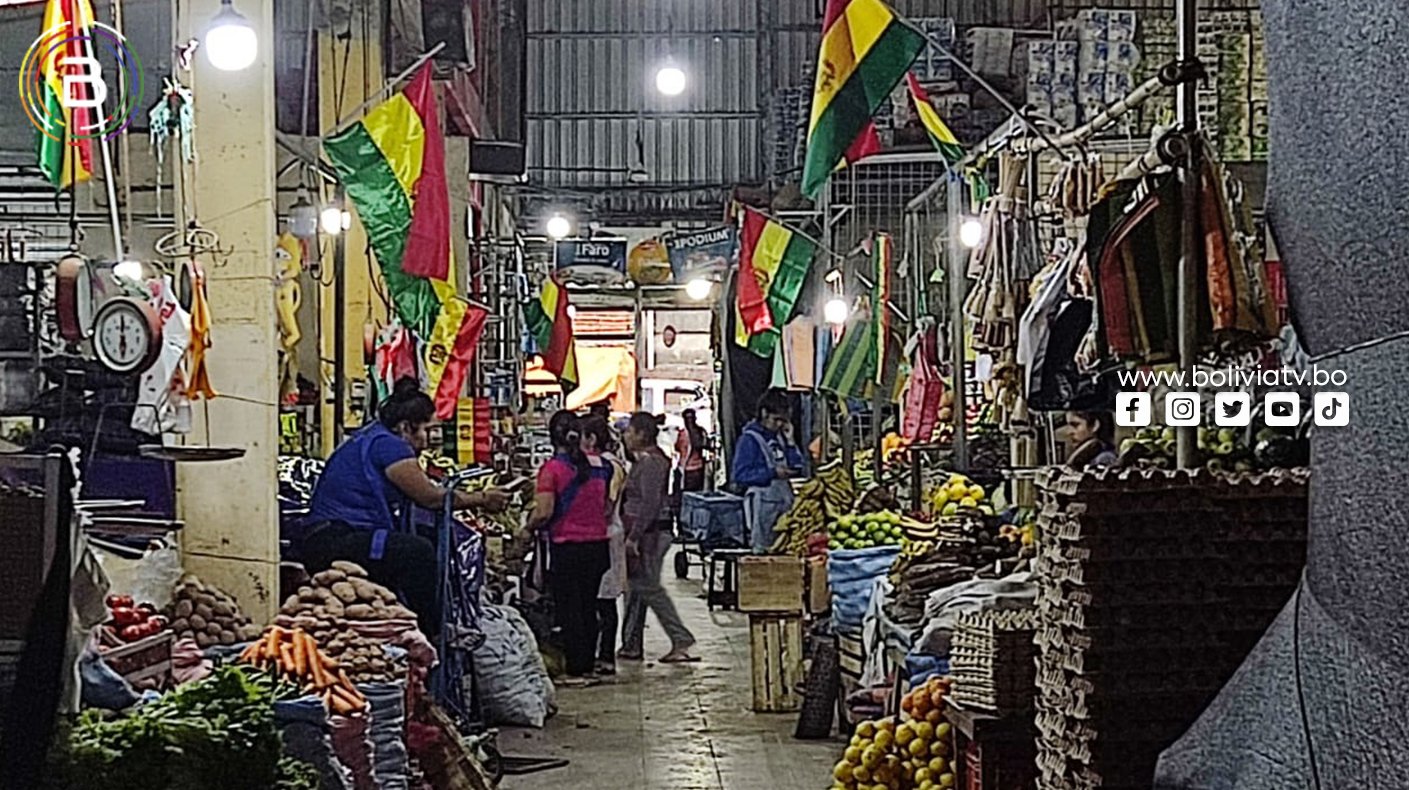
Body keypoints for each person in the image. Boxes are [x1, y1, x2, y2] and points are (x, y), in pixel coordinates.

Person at [304, 378, 510, 637]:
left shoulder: (373, 437)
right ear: (405, 427)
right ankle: (433, 633)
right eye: (426, 430)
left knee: (413, 549)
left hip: (340, 535)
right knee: (417, 553)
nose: (427, 441)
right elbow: (430, 497)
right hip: (334, 539)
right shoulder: (388, 445)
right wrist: (481, 498)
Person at [527, 411, 614, 686]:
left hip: (567, 546)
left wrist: (526, 529)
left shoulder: (552, 470)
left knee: (569, 608)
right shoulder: (603, 467)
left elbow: (544, 512)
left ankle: (576, 669)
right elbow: (607, 507)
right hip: (598, 546)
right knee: (588, 606)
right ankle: (587, 663)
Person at [618, 412, 697, 664]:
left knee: (647, 587)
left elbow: (650, 503)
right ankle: (631, 643)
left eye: (629, 431)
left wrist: (634, 537)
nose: (626, 436)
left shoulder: (652, 463)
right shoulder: (647, 461)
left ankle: (680, 638)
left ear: (641, 434)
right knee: (637, 588)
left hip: (651, 533)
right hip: (647, 531)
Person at [731, 389, 805, 554]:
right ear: (764, 413)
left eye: (783, 421)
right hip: (761, 510)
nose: (779, 425)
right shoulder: (749, 440)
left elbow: (798, 466)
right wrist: (772, 473)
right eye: (776, 419)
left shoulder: (780, 437)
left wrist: (791, 441)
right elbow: (740, 475)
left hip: (785, 504)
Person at [580, 415, 627, 675]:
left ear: (593, 439)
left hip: (606, 533)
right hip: (602, 532)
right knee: (599, 599)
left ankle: (606, 655)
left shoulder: (608, 466)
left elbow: (607, 505)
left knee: (605, 601)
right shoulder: (603, 464)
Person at [675, 408, 710, 493]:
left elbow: (705, 444)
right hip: (686, 467)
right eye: (687, 419)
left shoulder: (700, 431)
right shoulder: (682, 433)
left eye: (691, 418)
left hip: (698, 466)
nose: (689, 421)